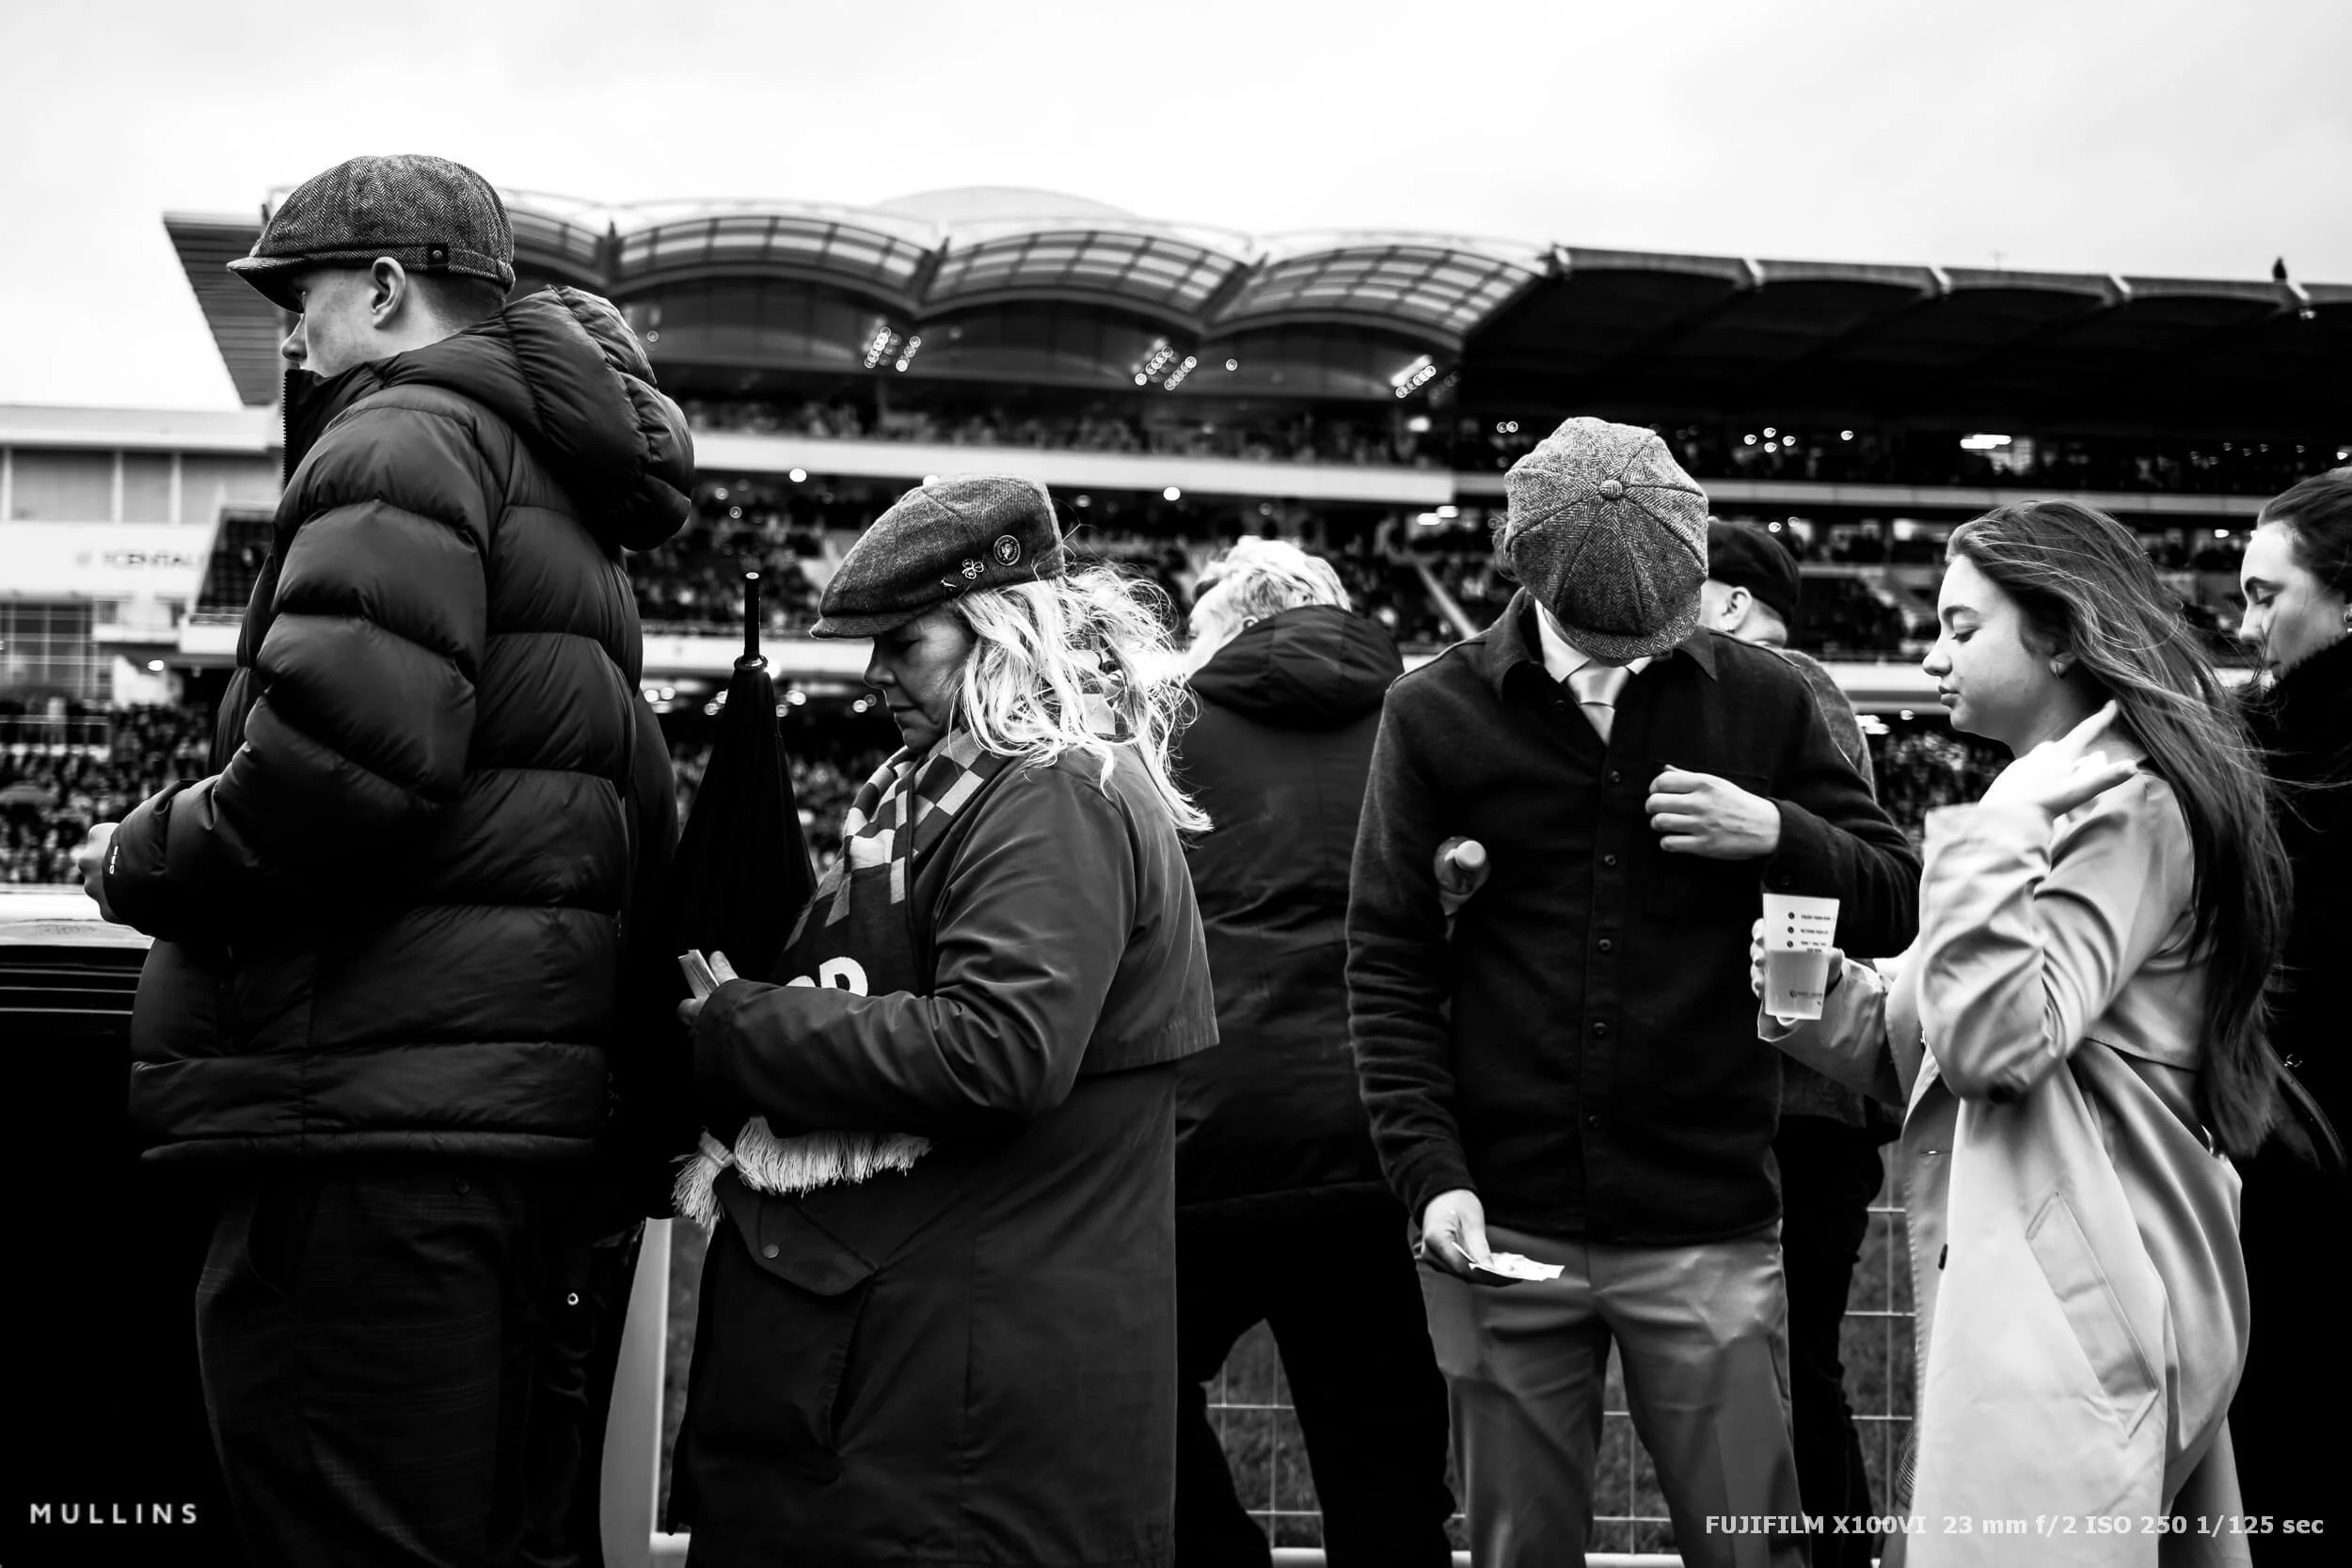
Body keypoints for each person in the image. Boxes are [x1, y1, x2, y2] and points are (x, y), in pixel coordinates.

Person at [80, 154, 691, 1568]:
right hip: (507, 1126)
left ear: (385, 287)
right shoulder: (563, 497)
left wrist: (136, 851)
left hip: (363, 1123)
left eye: (298, 300)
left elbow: (334, 780)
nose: (287, 335)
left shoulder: (400, 437)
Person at [1347, 416, 1920, 1568]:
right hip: (1502, 1222)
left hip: (1706, 1213)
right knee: (1520, 1547)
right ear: (1529, 576)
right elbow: (1388, 960)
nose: (1635, 654)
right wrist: (1428, 1172)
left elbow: (1897, 897)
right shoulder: (1432, 711)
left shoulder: (1762, 699)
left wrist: (1778, 830)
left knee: (1753, 1545)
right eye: (1610, 636)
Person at [669, 476, 1218, 1567]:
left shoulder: (1052, 792)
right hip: (933, 1360)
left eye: (902, 642)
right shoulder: (980, 784)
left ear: (996, 634)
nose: (874, 675)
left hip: (967, 1390)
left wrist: (743, 1024)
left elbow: (998, 1050)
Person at [1754, 499, 2290, 1567]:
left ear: (2056, 632)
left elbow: (1999, 1047)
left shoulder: (2123, 804)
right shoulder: (2046, 795)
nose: (1931, 653)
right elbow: (1930, 1033)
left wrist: (1973, 843)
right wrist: (1794, 989)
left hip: (2078, 1308)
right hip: (2064, 1291)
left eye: (1960, 628)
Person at [1168, 538, 1453, 1567]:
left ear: (1218, 627)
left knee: (1125, 1387)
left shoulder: (1170, 731)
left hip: (1207, 1123)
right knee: (1383, 1456)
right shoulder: (1422, 720)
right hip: (1382, 1129)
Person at [1705, 519, 1899, 1565]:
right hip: (1794, 1096)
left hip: (1799, 1106)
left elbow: (1814, 874)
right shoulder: (1782, 688)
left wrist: (1783, 1023)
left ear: (1731, 603)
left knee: (1789, 1371)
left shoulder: (1785, 685)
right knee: (1779, 1369)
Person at [2230, 466, 2352, 1563]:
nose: (2246, 620)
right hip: (2278, 1133)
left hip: (2304, 1135)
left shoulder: (2284, 754)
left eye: (2267, 596)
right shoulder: (2256, 738)